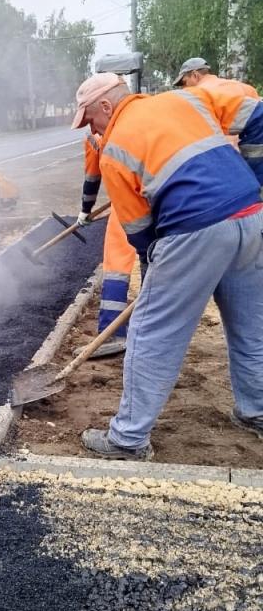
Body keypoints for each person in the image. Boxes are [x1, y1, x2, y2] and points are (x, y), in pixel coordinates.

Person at [71, 72, 263, 460]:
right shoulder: (186, 99)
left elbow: (140, 231)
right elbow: (258, 115)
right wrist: (254, 179)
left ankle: (127, 439)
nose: (92, 130)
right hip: (251, 217)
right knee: (252, 324)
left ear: (107, 105)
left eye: (91, 120)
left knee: (152, 332)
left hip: (195, 228)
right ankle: (256, 410)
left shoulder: (114, 150)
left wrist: (152, 278)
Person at [77, 130, 136, 357]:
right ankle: (150, 334)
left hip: (127, 203)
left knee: (116, 266)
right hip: (162, 198)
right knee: (155, 261)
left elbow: (92, 178)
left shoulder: (94, 138)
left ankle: (113, 334)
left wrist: (85, 210)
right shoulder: (143, 120)